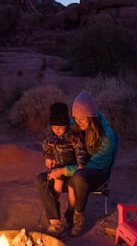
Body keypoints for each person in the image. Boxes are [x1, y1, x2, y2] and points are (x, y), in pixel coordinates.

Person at [36, 91, 118, 237]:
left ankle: (77, 216)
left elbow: (91, 166)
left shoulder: (107, 136)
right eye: (75, 118)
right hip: (74, 169)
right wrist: (51, 155)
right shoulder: (74, 126)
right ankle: (55, 222)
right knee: (42, 179)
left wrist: (63, 171)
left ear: (91, 117)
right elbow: (57, 137)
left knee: (79, 176)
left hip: (97, 173)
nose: (78, 122)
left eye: (82, 118)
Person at [41, 102, 84, 199]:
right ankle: (55, 204)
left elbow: (80, 150)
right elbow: (46, 146)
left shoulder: (72, 138)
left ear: (66, 125)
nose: (57, 130)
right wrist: (48, 156)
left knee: (72, 188)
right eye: (54, 127)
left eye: (60, 128)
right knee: (58, 184)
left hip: (72, 167)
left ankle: (70, 209)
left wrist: (80, 163)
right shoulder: (51, 138)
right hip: (58, 166)